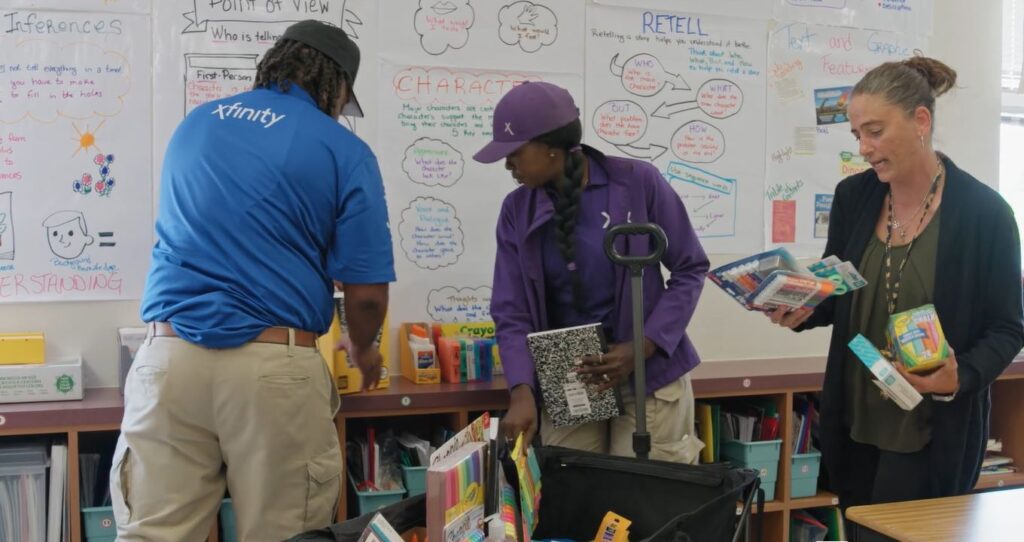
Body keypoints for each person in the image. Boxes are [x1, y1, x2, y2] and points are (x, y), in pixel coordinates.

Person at [111, 20, 395, 541]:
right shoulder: (341, 148)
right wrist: (363, 350)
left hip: (166, 361)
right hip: (273, 370)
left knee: (154, 534)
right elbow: (368, 294)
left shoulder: (195, 124)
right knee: (285, 534)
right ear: (336, 86)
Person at [769, 55, 1024, 536]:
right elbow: (839, 289)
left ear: (920, 121)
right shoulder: (854, 198)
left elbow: (1008, 327)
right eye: (856, 135)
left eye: (875, 131)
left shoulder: (985, 214)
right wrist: (799, 306)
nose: (864, 147)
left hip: (931, 430)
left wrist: (959, 375)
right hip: (856, 421)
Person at [473, 82, 709, 462]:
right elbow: (511, 309)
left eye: (515, 153)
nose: (508, 165)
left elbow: (690, 266)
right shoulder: (517, 211)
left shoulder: (637, 182)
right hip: (569, 373)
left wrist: (642, 345)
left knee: (647, 501)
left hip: (649, 372)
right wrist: (521, 390)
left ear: (551, 147)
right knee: (575, 496)